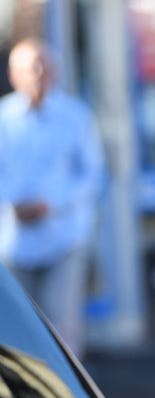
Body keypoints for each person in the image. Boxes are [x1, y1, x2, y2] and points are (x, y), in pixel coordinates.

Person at [0, 38, 105, 358]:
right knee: (17, 330)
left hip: (62, 237)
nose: (36, 76)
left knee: (61, 327)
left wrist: (50, 203)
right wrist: (14, 204)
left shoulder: (75, 117)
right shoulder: (4, 118)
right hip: (15, 243)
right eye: (27, 69)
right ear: (12, 74)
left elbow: (93, 174)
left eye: (41, 68)